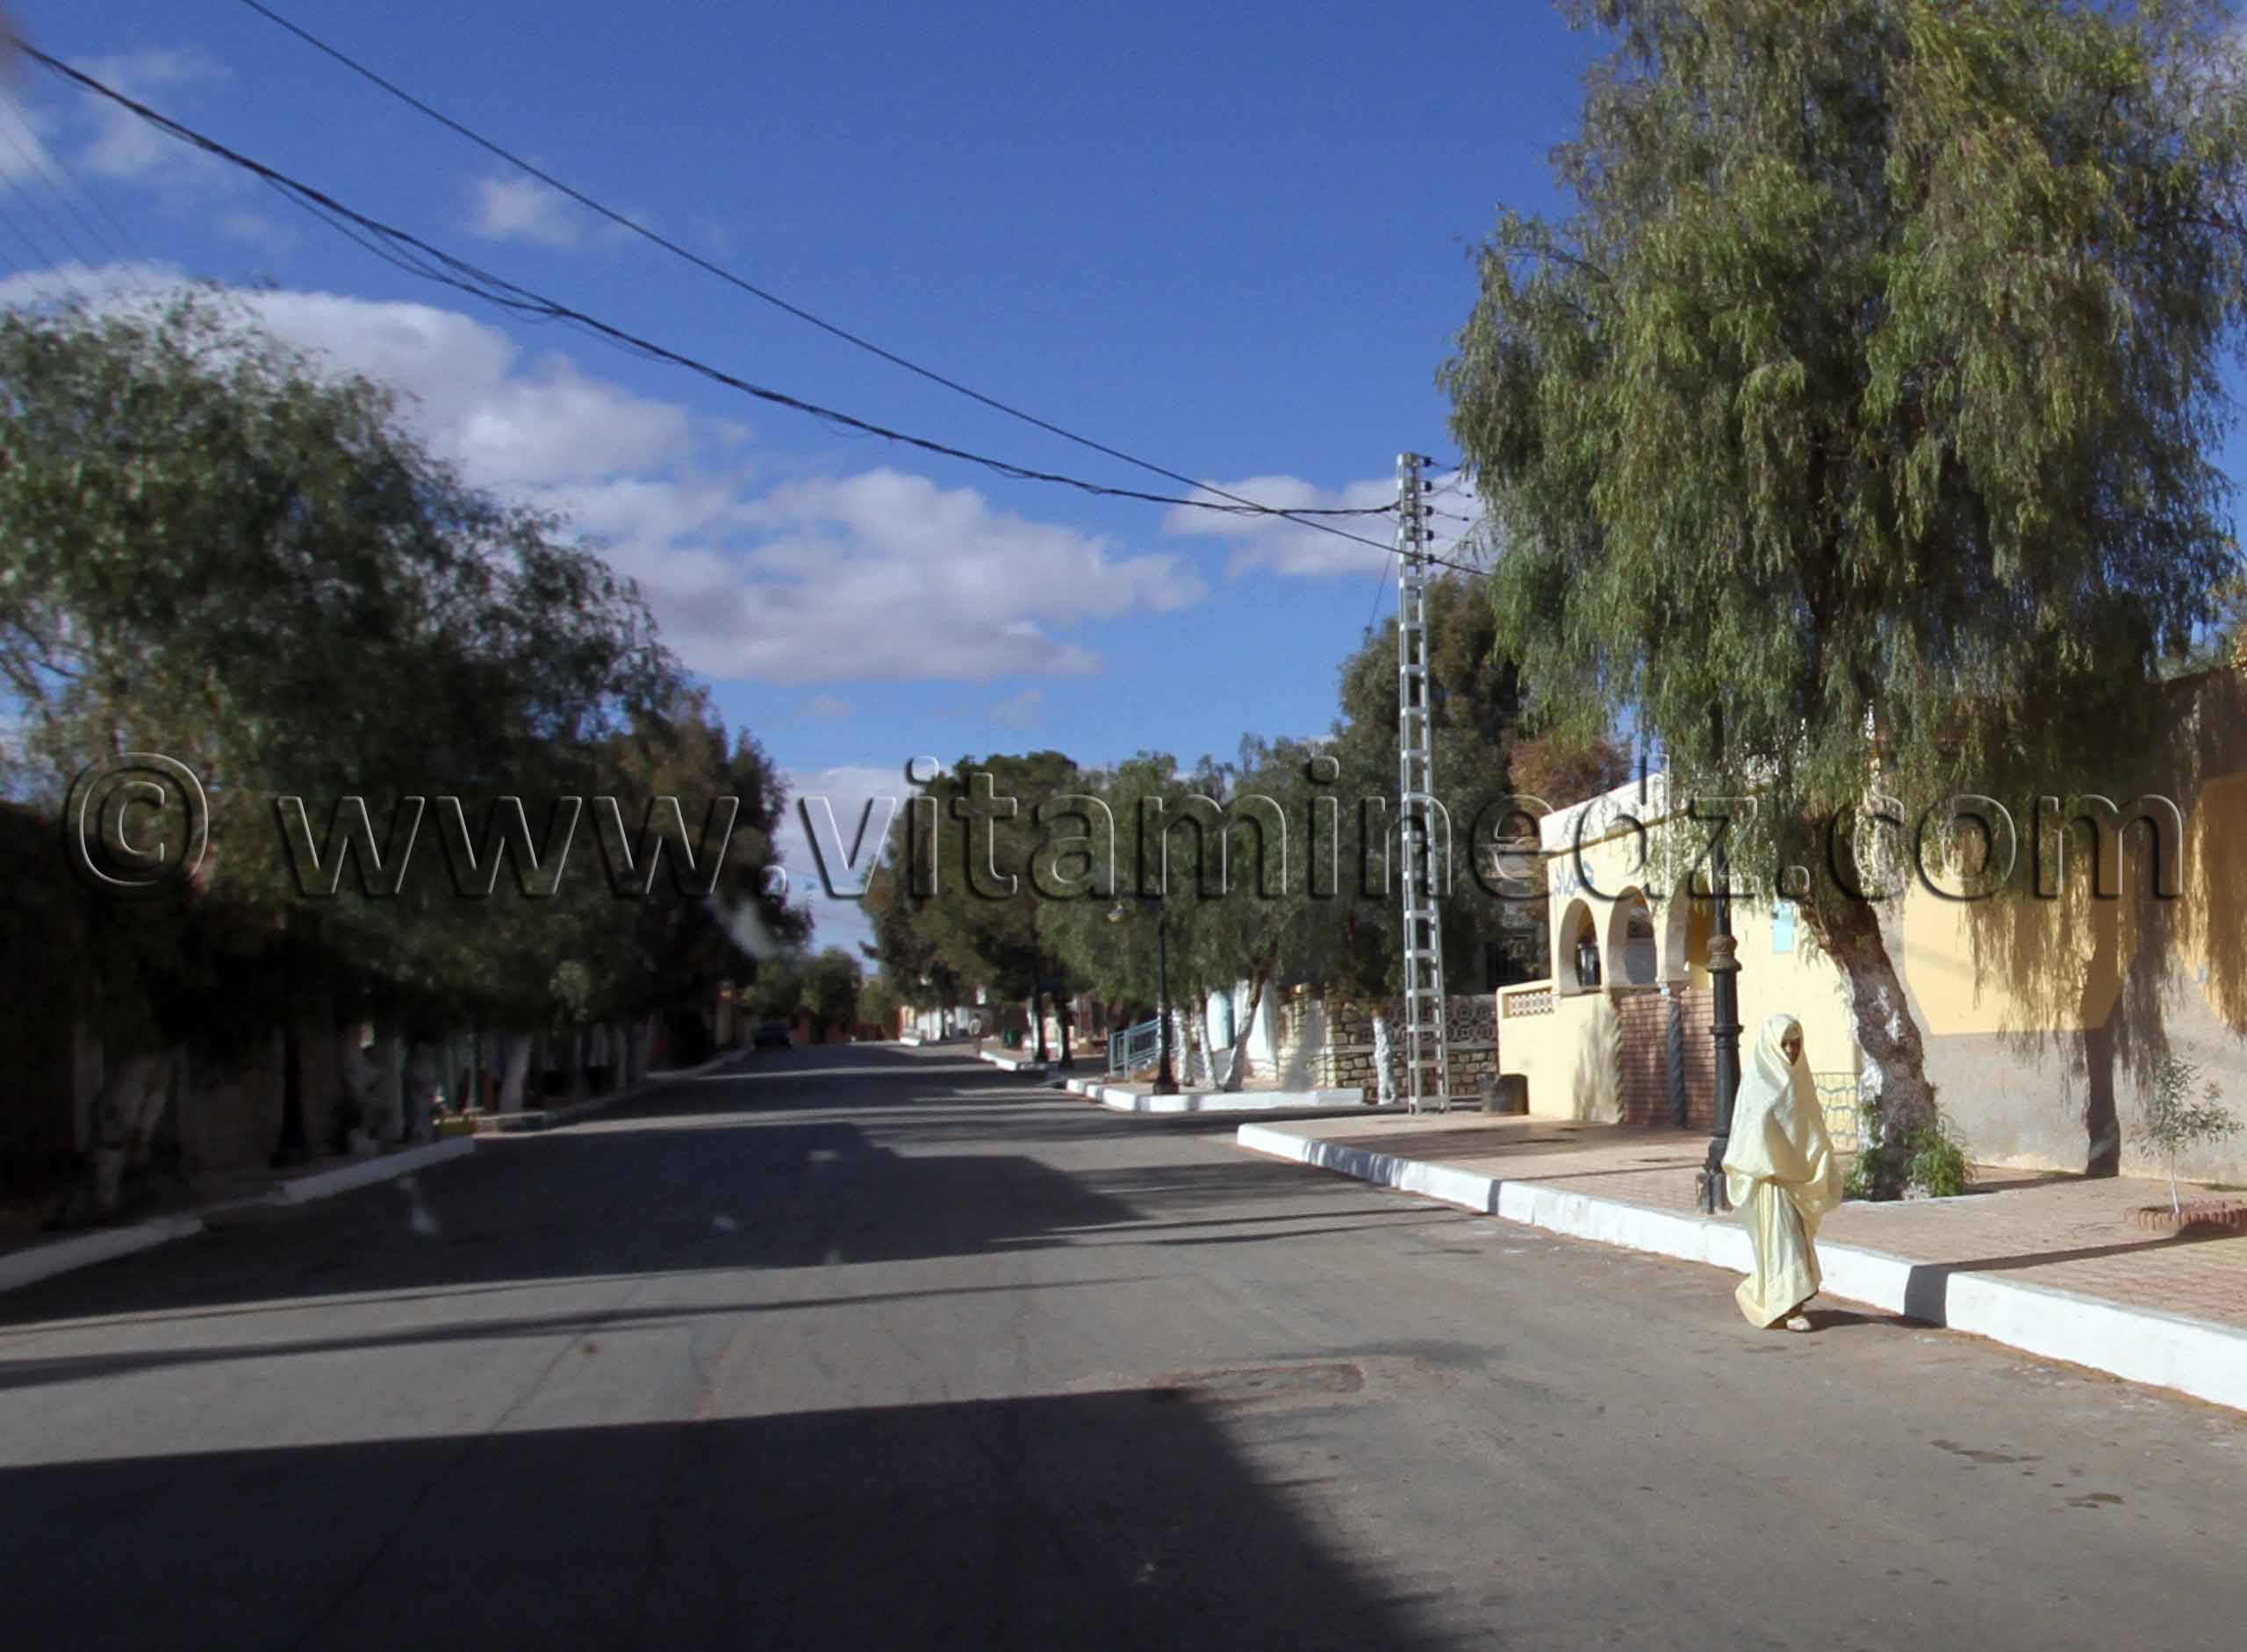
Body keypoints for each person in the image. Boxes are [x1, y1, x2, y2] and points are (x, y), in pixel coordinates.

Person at [1721, 1014, 1842, 1332]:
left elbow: (1811, 1126)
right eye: (1785, 1044)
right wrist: (1770, 1155)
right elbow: (1749, 1130)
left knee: (1796, 1241)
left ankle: (1785, 1302)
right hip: (1770, 1180)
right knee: (1783, 1243)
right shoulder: (1758, 1081)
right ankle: (1789, 1309)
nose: (1791, 1050)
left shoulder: (1800, 1079)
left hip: (1797, 1177)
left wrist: (1818, 1159)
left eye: (1795, 1043)